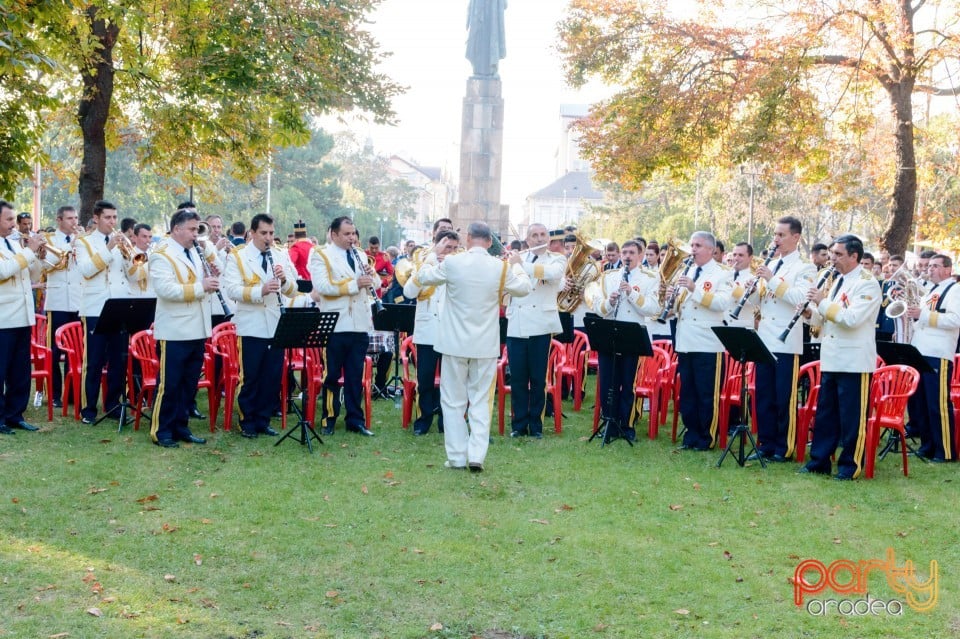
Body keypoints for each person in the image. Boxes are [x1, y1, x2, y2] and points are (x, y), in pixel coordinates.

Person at [416, 221, 531, 471]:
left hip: (454, 343)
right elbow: (524, 288)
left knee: (453, 401)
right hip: (484, 344)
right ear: (489, 242)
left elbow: (423, 277)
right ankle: (476, 454)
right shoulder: (499, 267)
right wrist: (518, 266)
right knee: (481, 401)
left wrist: (433, 255)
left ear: (468, 238)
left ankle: (457, 456)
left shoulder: (453, 262)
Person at [801, 235, 881, 480]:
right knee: (826, 414)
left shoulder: (867, 283)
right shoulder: (837, 280)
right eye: (832, 253)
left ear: (854, 256)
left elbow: (851, 320)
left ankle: (851, 464)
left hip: (855, 361)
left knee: (851, 417)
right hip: (833, 357)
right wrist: (808, 312)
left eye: (838, 254)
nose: (832, 259)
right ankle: (819, 461)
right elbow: (826, 319)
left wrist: (822, 302)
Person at [223, 213, 298, 439]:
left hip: (275, 324)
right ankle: (247, 420)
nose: (268, 238)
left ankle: (264, 419)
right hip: (251, 324)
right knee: (251, 376)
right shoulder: (238, 256)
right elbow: (232, 290)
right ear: (252, 233)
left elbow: (294, 289)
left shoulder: (280, 255)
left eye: (272, 233)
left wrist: (284, 280)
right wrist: (260, 291)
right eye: (264, 233)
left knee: (272, 376)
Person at [148, 209, 218, 448]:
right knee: (170, 384)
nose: (195, 234)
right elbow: (166, 290)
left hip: (197, 327)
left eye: (197, 229)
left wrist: (211, 272)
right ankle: (161, 430)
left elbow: (210, 272)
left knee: (189, 384)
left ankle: (181, 426)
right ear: (176, 229)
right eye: (191, 229)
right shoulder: (161, 254)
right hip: (175, 330)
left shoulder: (196, 251)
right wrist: (201, 287)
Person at [748, 217, 816, 462]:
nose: (776, 239)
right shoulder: (772, 264)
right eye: (775, 234)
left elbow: (799, 297)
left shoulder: (804, 267)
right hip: (765, 338)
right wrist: (752, 289)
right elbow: (761, 302)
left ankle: (783, 447)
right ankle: (765, 443)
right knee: (764, 395)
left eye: (781, 235)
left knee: (783, 397)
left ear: (795, 237)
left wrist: (771, 279)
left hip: (786, 341)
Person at [309, 216, 379, 437]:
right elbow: (322, 287)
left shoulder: (359, 254)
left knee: (355, 375)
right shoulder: (321, 255)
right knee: (331, 375)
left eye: (353, 233)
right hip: (336, 323)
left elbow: (375, 285)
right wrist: (354, 284)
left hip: (359, 323)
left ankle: (355, 419)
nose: (352, 238)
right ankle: (328, 417)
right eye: (347, 234)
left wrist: (372, 277)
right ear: (334, 234)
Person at [587, 240, 659, 441]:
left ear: (640, 254)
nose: (627, 256)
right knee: (608, 382)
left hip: (632, 337)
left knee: (628, 384)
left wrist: (632, 293)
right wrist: (609, 302)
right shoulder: (608, 276)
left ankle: (627, 425)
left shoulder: (650, 277)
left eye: (631, 253)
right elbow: (598, 308)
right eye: (624, 252)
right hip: (609, 334)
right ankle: (609, 423)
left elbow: (653, 309)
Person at [75, 200, 138, 425]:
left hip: (119, 306)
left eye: (114, 217)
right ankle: (88, 409)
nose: (112, 222)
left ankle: (112, 405)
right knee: (94, 361)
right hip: (95, 308)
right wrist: (109, 247)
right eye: (108, 217)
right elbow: (86, 270)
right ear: (96, 218)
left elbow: (132, 277)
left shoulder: (121, 244)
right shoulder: (84, 242)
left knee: (118, 360)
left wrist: (132, 260)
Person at [673, 231, 733, 451]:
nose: (693, 249)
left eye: (698, 245)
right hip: (686, 339)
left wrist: (693, 289)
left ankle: (707, 437)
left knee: (706, 392)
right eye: (692, 245)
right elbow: (681, 306)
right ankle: (691, 434)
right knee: (688, 391)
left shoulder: (722, 274)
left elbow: (721, 303)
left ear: (710, 249)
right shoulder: (688, 269)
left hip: (708, 342)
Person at [504, 223, 566, 438]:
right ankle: (518, 425)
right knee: (519, 379)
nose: (539, 239)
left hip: (541, 326)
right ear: (527, 240)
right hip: (517, 325)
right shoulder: (517, 259)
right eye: (534, 236)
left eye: (542, 235)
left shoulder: (557, 259)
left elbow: (553, 275)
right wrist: (509, 265)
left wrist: (520, 264)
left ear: (548, 238)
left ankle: (536, 426)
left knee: (538, 379)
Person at [403, 230, 460, 435]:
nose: (451, 252)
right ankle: (423, 419)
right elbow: (409, 292)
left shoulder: (459, 267)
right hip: (427, 331)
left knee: (451, 381)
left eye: (455, 248)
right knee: (425, 379)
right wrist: (431, 261)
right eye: (447, 247)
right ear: (436, 247)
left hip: (451, 330)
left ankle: (447, 421)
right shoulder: (424, 266)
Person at [906, 254, 959, 462]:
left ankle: (945, 450)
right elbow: (923, 319)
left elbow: (955, 319)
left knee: (937, 404)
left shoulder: (955, 289)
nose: (930, 270)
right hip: (921, 350)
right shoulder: (931, 290)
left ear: (948, 269)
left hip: (938, 352)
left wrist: (923, 315)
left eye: (936, 266)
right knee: (921, 403)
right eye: (929, 266)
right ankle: (928, 445)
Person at [0, 201, 44, 433]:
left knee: (20, 372)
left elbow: (31, 273)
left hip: (22, 316)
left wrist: (38, 255)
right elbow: (4, 271)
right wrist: (29, 251)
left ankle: (15, 414)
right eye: (8, 219)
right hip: (3, 317)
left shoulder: (15, 245)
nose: (13, 224)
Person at [40, 205, 82, 408]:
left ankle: (72, 393)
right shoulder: (48, 240)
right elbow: (46, 266)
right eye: (69, 218)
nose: (74, 222)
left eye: (75, 218)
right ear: (59, 220)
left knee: (75, 350)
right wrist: (70, 247)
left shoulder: (84, 240)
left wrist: (79, 245)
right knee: (55, 350)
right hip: (57, 301)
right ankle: (55, 394)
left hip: (77, 301)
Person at [466, 0, 507, 77]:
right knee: (479, 37)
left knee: (491, 36)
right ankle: (478, 69)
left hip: (492, 11)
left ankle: (491, 69)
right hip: (479, 10)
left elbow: (505, 4)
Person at [726, 242, 758, 329]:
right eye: (734, 254)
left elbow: (754, 302)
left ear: (750, 258)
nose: (736, 258)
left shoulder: (754, 279)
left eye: (740, 255)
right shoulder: (725, 275)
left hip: (740, 327)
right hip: (721, 326)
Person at [287, 220, 314, 293]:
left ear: (295, 235)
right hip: (314, 284)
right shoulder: (314, 247)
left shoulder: (295, 247)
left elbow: (290, 264)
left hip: (301, 285)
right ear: (306, 234)